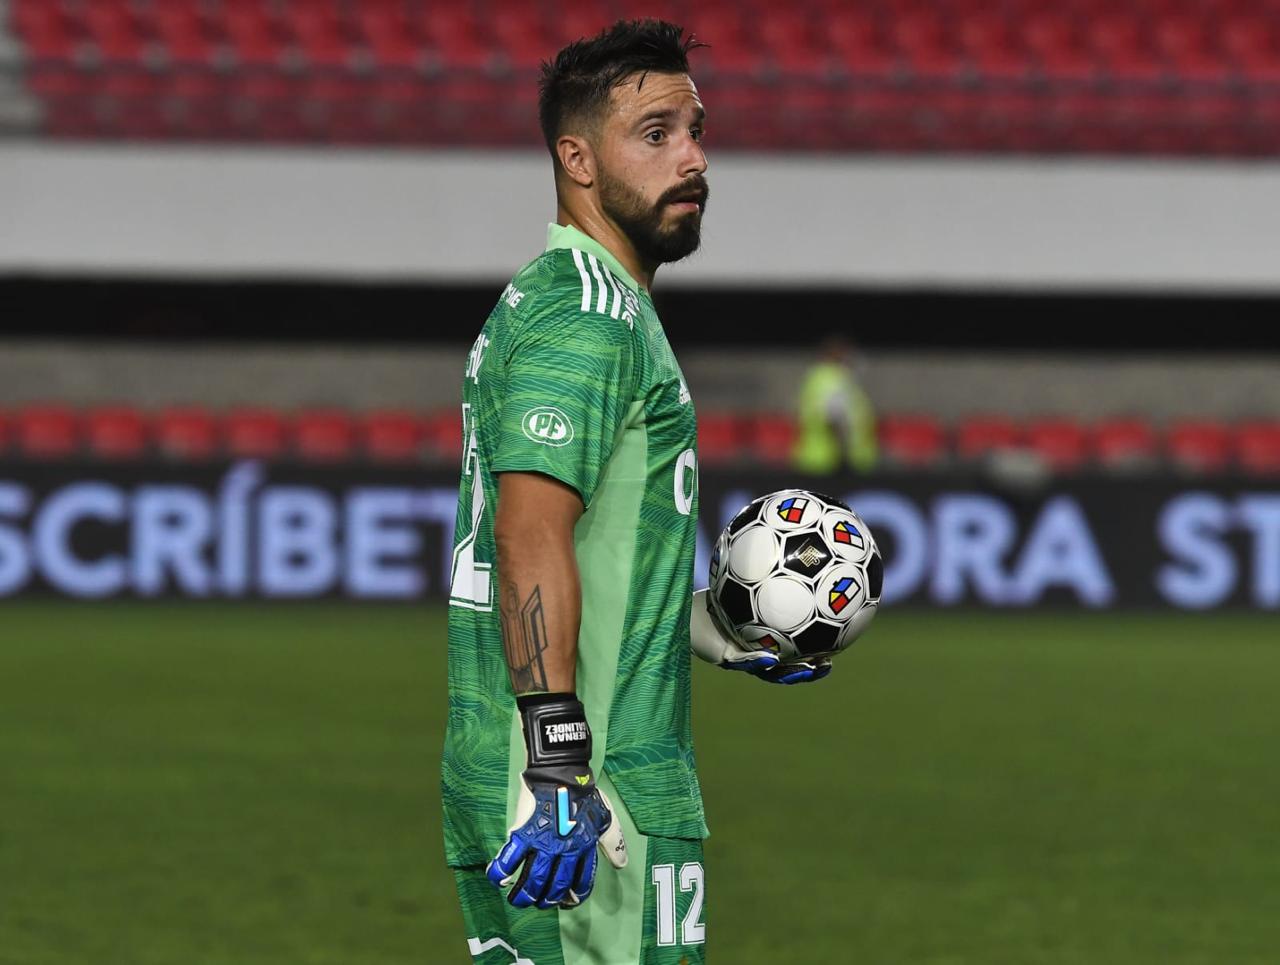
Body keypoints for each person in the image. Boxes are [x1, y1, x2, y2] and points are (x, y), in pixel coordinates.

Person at [442, 20, 828, 965]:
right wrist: (560, 760)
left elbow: (587, 550)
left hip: (560, 771)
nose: (692, 157)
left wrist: (719, 628)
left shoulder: (590, 306)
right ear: (577, 159)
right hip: (588, 796)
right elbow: (531, 533)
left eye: (696, 129)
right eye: (655, 134)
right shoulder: (588, 313)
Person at [792, 335, 878, 475]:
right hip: (831, 463)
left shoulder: (820, 377)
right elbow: (833, 416)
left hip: (819, 460)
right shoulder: (832, 379)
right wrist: (843, 456)